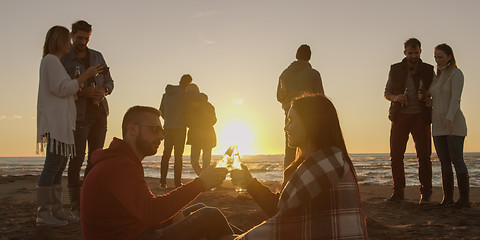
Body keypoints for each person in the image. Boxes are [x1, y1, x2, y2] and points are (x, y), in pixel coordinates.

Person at [81, 106, 236, 240]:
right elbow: (152, 212)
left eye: (162, 131)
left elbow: (144, 208)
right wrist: (200, 184)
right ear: (133, 129)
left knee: (197, 209)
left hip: (134, 231)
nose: (161, 136)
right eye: (155, 129)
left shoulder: (121, 160)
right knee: (209, 216)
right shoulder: (119, 165)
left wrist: (174, 214)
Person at [229, 94, 368, 239]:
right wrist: (250, 183)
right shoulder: (328, 161)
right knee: (213, 218)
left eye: (291, 120)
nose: (285, 127)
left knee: (210, 220)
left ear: (310, 122)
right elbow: (285, 211)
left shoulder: (321, 167)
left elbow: (280, 222)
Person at [36, 25, 100, 226]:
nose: (70, 43)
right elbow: (62, 88)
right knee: (53, 166)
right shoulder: (51, 61)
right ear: (60, 40)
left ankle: (56, 210)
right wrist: (85, 77)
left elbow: (66, 89)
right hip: (56, 123)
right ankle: (44, 213)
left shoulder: (53, 62)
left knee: (59, 166)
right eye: (67, 39)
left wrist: (79, 83)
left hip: (62, 123)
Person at [61, 20, 114, 217]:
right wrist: (83, 92)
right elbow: (63, 87)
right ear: (72, 35)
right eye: (80, 38)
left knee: (96, 159)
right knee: (76, 160)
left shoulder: (97, 56)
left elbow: (110, 81)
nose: (83, 42)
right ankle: (75, 206)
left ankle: (89, 202)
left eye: (87, 38)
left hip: (100, 113)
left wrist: (104, 91)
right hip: (78, 116)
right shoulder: (65, 58)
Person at [384, 38, 434, 204]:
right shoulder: (395, 69)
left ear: (420, 51)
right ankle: (398, 192)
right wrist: (396, 97)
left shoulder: (428, 70)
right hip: (400, 116)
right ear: (405, 52)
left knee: (424, 156)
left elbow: (436, 93)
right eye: (410, 53)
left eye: (416, 52)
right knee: (396, 156)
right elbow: (386, 93)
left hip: (421, 116)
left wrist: (428, 97)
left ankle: (425, 194)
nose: (414, 56)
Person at [427, 43, 469, 208]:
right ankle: (447, 198)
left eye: (440, 57)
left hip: (454, 124)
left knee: (456, 160)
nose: (437, 60)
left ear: (449, 57)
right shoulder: (437, 77)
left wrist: (449, 118)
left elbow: (455, 99)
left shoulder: (456, 74)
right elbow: (434, 98)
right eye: (435, 57)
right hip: (437, 125)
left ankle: (464, 199)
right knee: (444, 161)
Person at [277, 44, 324, 168]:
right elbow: (321, 98)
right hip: (309, 116)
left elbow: (278, 97)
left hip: (289, 115)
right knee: (310, 149)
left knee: (290, 152)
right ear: (309, 57)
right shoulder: (313, 74)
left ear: (296, 55)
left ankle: (288, 181)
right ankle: (308, 178)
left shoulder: (284, 74)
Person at [159, 74, 192, 188]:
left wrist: (168, 120)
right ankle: (177, 183)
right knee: (178, 156)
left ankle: (162, 182)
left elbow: (161, 111)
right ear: (188, 83)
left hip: (168, 127)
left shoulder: (166, 94)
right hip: (180, 128)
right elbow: (189, 111)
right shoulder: (185, 95)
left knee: (166, 154)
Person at [185, 83, 217, 175]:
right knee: (206, 161)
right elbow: (214, 120)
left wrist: (193, 126)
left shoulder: (189, 106)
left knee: (194, 160)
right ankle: (205, 178)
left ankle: (202, 178)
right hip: (208, 134)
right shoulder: (209, 105)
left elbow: (186, 120)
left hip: (196, 135)